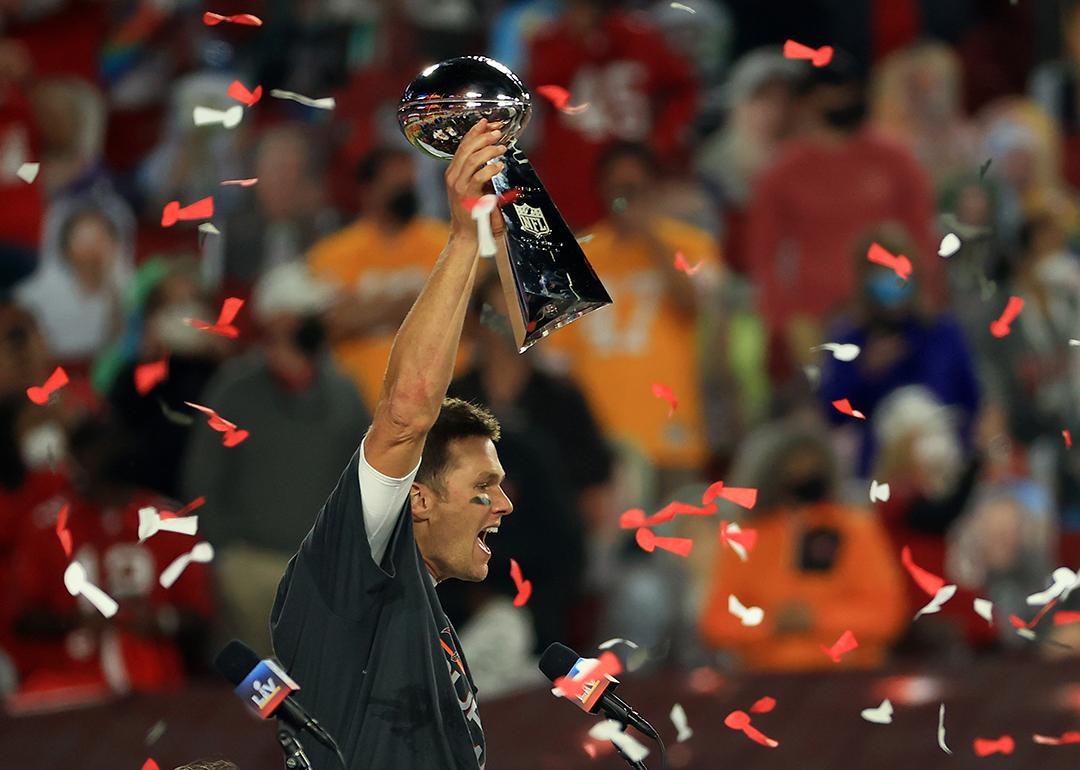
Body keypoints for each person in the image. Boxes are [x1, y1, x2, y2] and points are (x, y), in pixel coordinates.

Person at [271, 119, 514, 770]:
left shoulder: (423, 620)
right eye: (483, 489)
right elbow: (406, 414)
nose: (504, 506)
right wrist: (466, 238)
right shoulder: (347, 580)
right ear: (419, 501)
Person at [182, 262, 368, 657]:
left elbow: (366, 479)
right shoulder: (234, 389)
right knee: (261, 685)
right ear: (277, 323)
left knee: (325, 680)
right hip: (250, 562)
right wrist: (228, 549)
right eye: (303, 319)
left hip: (324, 567)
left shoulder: (343, 391)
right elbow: (202, 478)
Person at [744, 51, 939, 381]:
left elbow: (922, 238)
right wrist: (785, 320)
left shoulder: (896, 159)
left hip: (892, 311)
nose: (844, 99)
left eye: (850, 89)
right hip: (817, 319)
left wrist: (924, 303)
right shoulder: (782, 172)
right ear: (808, 101)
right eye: (834, 91)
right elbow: (764, 256)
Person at [550, 141, 719, 502]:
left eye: (635, 189)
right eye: (617, 189)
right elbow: (557, 359)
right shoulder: (577, 255)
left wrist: (651, 237)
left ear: (654, 188)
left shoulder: (692, 245)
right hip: (599, 441)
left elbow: (692, 306)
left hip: (671, 435)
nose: (624, 199)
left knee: (676, 547)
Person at [7, 414, 213, 696]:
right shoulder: (45, 525)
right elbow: (20, 615)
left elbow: (200, 614)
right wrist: (75, 620)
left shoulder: (169, 522)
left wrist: (158, 620)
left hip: (154, 678)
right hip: (67, 676)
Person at [699, 420, 907, 671]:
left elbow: (887, 613)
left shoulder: (856, 530)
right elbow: (716, 620)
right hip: (764, 679)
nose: (802, 473)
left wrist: (817, 618)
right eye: (792, 465)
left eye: (811, 464)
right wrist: (769, 623)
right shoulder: (746, 536)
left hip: (847, 677)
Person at [819, 226, 981, 477]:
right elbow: (833, 413)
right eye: (880, 272)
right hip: (881, 470)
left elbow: (970, 399)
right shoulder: (849, 340)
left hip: (944, 463)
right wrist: (866, 372)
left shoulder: (942, 331)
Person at [526, 0, 699, 228]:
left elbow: (684, 89)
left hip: (634, 167)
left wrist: (662, 139)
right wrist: (575, 40)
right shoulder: (548, 41)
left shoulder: (640, 37)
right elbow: (541, 86)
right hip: (572, 177)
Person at [308, 146, 449, 406]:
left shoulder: (444, 241)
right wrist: (418, 304)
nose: (406, 193)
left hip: (436, 396)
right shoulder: (333, 252)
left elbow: (459, 312)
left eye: (409, 184)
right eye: (395, 186)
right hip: (357, 398)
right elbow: (331, 323)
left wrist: (364, 308)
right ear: (369, 190)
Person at [15, 201, 133, 364]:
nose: (93, 249)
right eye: (85, 240)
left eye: (101, 238)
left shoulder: (130, 292)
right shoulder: (31, 298)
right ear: (64, 248)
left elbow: (123, 350)